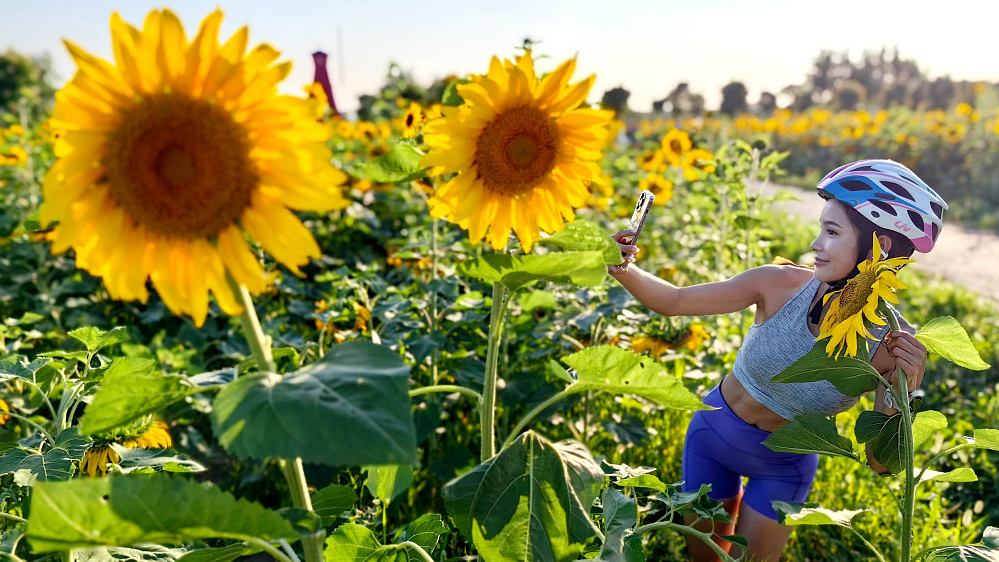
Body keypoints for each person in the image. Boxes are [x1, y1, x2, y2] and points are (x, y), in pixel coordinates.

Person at [608, 159, 947, 562]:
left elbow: (881, 464)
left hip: (784, 469)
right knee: (705, 559)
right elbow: (676, 301)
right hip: (711, 438)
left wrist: (905, 389)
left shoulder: (889, 346)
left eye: (832, 232)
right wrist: (622, 268)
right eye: (821, 228)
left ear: (881, 248)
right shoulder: (780, 284)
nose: (815, 244)